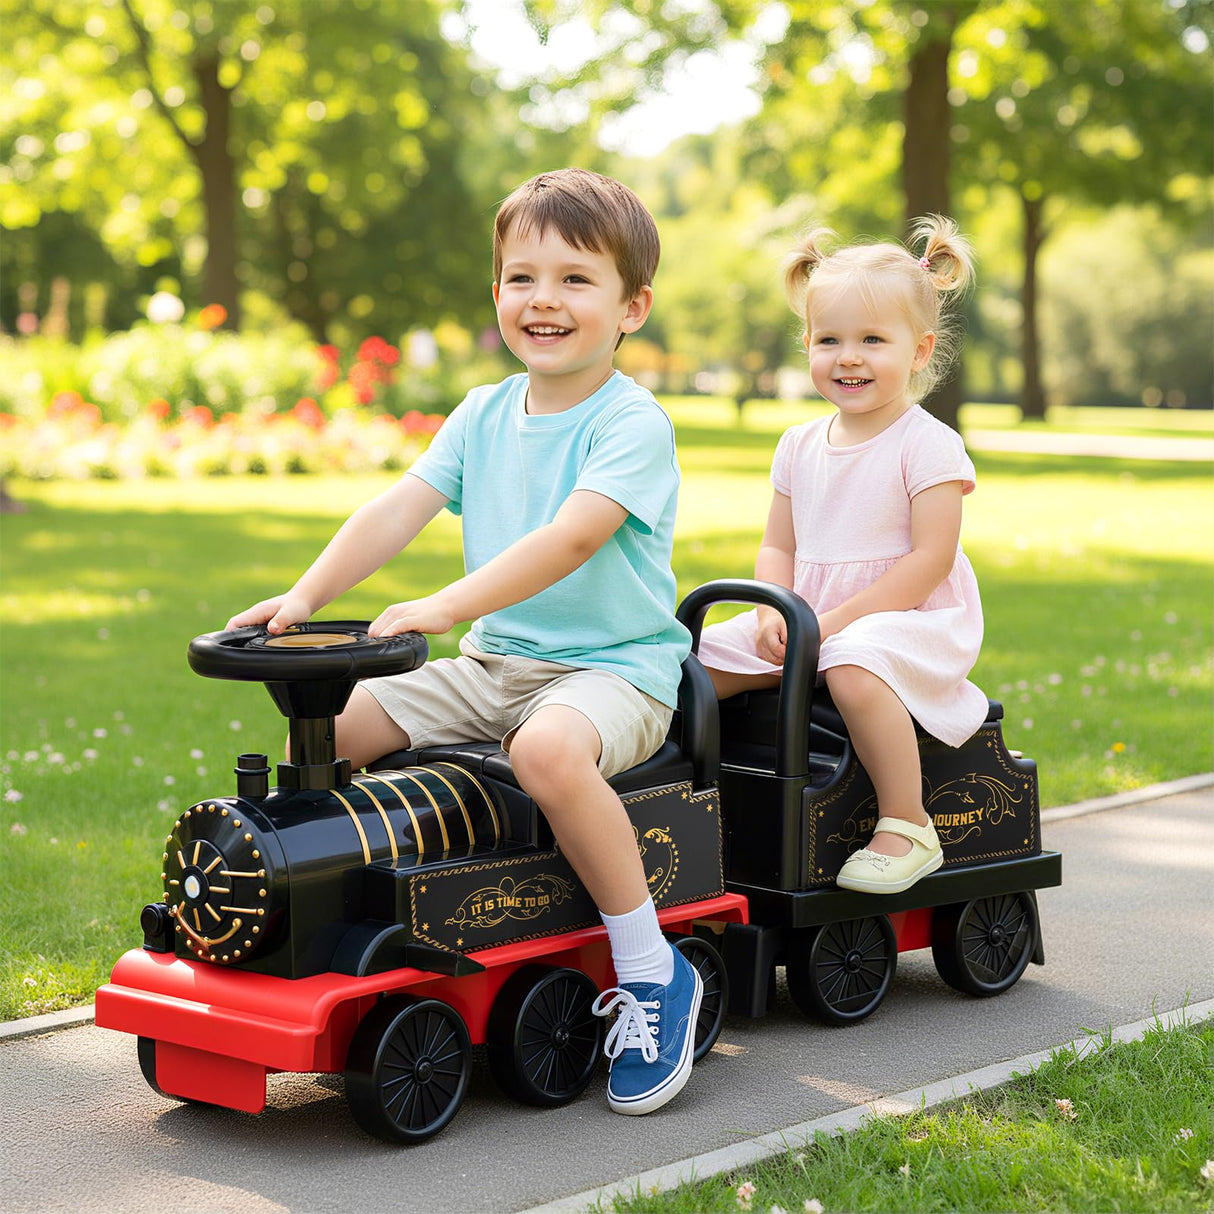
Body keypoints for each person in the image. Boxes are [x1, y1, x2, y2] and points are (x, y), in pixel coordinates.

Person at [227, 168, 701, 1116]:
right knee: (339, 724)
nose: (545, 299)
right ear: (496, 296)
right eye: (522, 277)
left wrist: (443, 605)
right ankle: (338, 919)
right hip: (497, 664)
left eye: (576, 279)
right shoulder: (483, 412)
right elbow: (396, 508)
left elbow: (568, 539)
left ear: (631, 307)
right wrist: (307, 594)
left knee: (547, 753)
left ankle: (652, 967)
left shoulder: (631, 423)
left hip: (615, 670)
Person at [697, 215, 988, 896]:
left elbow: (930, 560)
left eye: (871, 341)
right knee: (696, 660)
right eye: (830, 340)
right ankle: (690, 804)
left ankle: (907, 824)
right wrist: (780, 612)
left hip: (911, 616)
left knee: (854, 666)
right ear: (807, 344)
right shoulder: (799, 444)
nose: (848, 357)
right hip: (812, 615)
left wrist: (831, 625)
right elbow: (779, 543)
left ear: (919, 351)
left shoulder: (927, 444)